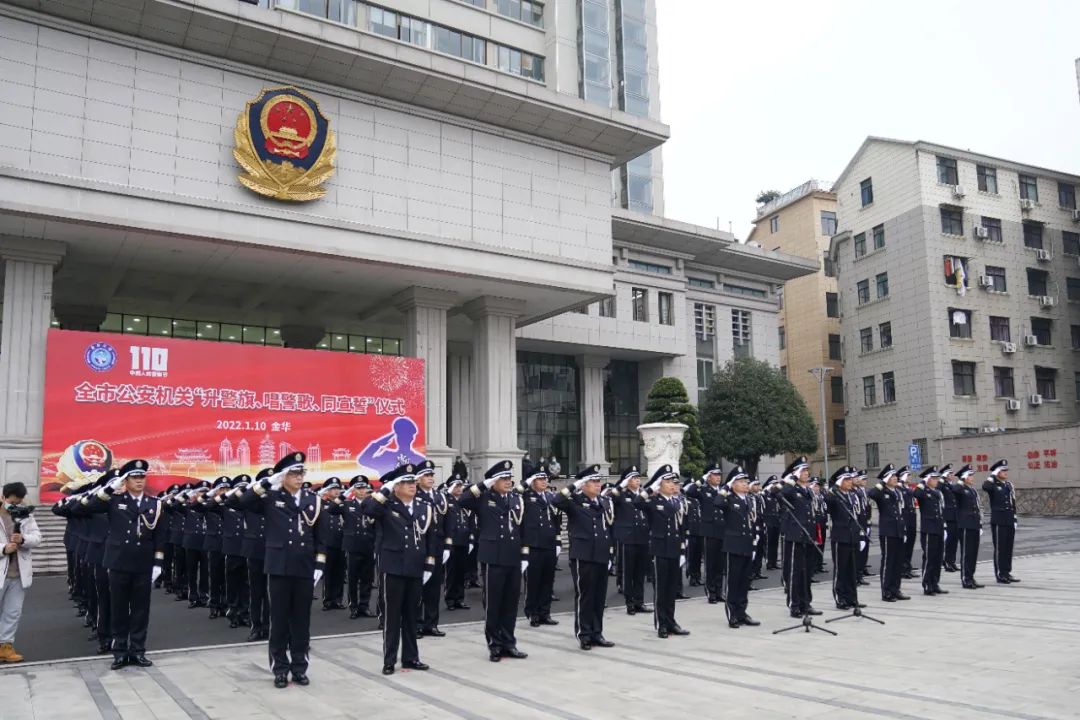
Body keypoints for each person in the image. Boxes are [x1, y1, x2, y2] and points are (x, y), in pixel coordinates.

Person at [238, 453, 326, 689]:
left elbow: (321, 537)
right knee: (278, 620)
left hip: (305, 567)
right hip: (278, 566)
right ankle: (279, 667)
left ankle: (299, 666)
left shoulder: (314, 500)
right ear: (283, 476)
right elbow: (241, 502)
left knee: (301, 620)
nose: (299, 478)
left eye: (301, 473)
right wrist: (267, 482)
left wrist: (319, 564)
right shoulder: (271, 497)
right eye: (293, 473)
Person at [80, 460, 165, 670]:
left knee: (140, 609)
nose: (139, 481)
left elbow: (160, 536)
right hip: (118, 562)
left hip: (143, 563)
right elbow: (89, 506)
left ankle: (137, 650)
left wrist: (158, 562)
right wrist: (109, 487)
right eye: (134, 478)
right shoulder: (113, 501)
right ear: (125, 481)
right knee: (118, 608)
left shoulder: (155, 503)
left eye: (142, 477)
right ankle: (119, 651)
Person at [363, 464, 436, 676]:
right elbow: (367, 509)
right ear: (396, 487)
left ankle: (411, 657)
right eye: (405, 482)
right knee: (392, 617)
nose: (412, 486)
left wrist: (429, 564)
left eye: (413, 481)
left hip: (415, 567)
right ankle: (389, 659)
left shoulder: (424, 506)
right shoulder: (386, 506)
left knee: (412, 616)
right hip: (393, 568)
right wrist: (386, 489)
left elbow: (430, 536)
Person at [456, 461, 529, 663]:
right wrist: (483, 484)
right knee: (494, 603)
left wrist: (524, 554)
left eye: (509, 478)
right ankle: (494, 645)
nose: (508, 482)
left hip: (513, 556)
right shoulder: (484, 498)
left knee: (510, 603)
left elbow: (522, 528)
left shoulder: (516, 499)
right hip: (492, 557)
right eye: (503, 478)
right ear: (493, 481)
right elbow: (463, 499)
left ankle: (509, 643)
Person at [553, 465, 614, 649]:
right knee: (585, 595)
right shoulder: (575, 501)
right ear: (583, 484)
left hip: (601, 554)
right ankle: (584, 633)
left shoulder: (603, 502)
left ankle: (597, 632)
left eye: (599, 481)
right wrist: (574, 486)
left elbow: (607, 528)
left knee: (599, 596)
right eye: (594, 481)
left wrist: (610, 552)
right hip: (583, 554)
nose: (598, 484)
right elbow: (557, 500)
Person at [633, 464, 689, 638]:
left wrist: (682, 550)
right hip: (659, 550)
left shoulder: (677, 502)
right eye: (667, 481)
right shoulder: (653, 502)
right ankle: (661, 624)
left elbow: (680, 528)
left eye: (673, 481)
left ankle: (671, 621)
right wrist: (651, 488)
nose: (672, 484)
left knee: (672, 589)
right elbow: (637, 502)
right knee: (661, 589)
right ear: (659, 484)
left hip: (673, 549)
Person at [771, 457, 819, 618]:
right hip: (795, 535)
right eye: (803, 470)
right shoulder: (790, 488)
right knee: (795, 572)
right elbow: (781, 493)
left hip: (808, 535)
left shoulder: (806, 490)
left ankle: (806, 603)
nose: (806, 473)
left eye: (807, 470)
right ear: (795, 473)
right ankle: (794, 605)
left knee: (807, 572)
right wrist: (791, 479)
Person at [0, 481, 42, 663]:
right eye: (11, 502)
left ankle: (5, 646)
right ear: (3, 498)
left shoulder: (26, 516)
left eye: (18, 502)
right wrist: (3, 549)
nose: (14, 506)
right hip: (1, 569)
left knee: (13, 611)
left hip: (18, 573)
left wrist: (23, 539)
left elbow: (37, 537)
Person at [714, 466, 760, 628]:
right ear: (733, 485)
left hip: (747, 544)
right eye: (740, 482)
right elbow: (718, 502)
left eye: (746, 481)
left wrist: (754, 542)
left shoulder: (750, 500)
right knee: (733, 582)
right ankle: (732, 614)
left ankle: (742, 612)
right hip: (733, 545)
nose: (745, 484)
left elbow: (753, 522)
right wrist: (725, 487)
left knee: (744, 581)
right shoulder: (729, 499)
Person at [227, 471, 270, 641]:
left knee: (271, 592)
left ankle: (269, 626)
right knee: (256, 591)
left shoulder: (276, 498)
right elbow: (230, 501)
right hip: (254, 549)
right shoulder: (250, 499)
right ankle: (256, 627)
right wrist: (244, 488)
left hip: (272, 549)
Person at [520, 461, 560, 628]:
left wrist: (558, 540)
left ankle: (545, 612)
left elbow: (557, 520)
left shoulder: (551, 497)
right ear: (532, 481)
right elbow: (516, 493)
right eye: (540, 478)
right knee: (533, 581)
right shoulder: (526, 497)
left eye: (545, 479)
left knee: (547, 581)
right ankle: (533, 613)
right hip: (533, 545)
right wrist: (526, 483)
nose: (544, 481)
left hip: (549, 544)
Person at [413, 461, 449, 637]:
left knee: (434, 587)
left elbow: (447, 522)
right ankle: (417, 624)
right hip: (420, 547)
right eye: (426, 475)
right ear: (418, 478)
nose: (430, 478)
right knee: (418, 587)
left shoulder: (440, 496)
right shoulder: (414, 496)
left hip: (437, 547)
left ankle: (431, 623)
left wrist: (447, 545)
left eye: (431, 475)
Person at [334, 476, 377, 619]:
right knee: (353, 578)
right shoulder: (347, 504)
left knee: (367, 578)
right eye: (358, 488)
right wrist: (345, 493)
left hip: (368, 544)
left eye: (364, 488)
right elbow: (332, 509)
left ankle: (364, 606)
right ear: (354, 490)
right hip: (353, 546)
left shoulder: (372, 504)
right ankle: (354, 606)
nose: (362, 491)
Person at [608, 466, 649, 615]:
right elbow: (610, 498)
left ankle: (639, 601)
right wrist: (621, 485)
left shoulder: (644, 495)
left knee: (640, 572)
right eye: (633, 478)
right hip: (627, 538)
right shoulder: (621, 495)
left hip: (642, 537)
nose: (637, 480)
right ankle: (629, 603)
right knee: (628, 572)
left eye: (638, 478)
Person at [684, 462, 726, 604]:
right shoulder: (703, 490)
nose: (718, 477)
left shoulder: (723, 490)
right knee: (710, 563)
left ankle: (719, 591)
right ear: (709, 476)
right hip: (709, 530)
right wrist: (701, 479)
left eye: (719, 474)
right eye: (714, 474)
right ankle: (711, 592)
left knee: (720, 564)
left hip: (721, 530)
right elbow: (689, 491)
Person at [823, 467, 864, 611]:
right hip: (840, 537)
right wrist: (833, 489)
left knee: (851, 569)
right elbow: (827, 500)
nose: (849, 482)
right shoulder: (834, 495)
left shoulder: (852, 495)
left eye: (849, 479)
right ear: (840, 481)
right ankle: (840, 598)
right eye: (846, 480)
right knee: (841, 570)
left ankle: (852, 597)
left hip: (852, 536)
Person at [867, 464, 908, 602]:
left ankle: (896, 589)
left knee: (897, 562)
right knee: (888, 562)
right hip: (888, 531)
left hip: (898, 530)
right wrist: (882, 484)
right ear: (886, 478)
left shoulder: (897, 491)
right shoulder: (881, 492)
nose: (896, 478)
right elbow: (871, 493)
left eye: (896, 476)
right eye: (892, 476)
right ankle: (886, 591)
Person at [195, 477, 229, 619]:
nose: (225, 492)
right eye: (221, 489)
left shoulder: (233, 503)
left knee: (228, 577)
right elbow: (195, 507)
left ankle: (226, 605)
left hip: (229, 544)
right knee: (214, 576)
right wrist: (210, 495)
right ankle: (214, 605)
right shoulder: (209, 504)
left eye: (227, 489)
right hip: (214, 543)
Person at [218, 475, 249, 629]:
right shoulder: (226, 505)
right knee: (232, 582)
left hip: (247, 548)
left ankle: (244, 612)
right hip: (232, 548)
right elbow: (207, 505)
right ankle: (233, 612)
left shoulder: (250, 505)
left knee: (246, 583)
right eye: (239, 488)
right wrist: (231, 493)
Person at [983, 460, 1019, 584]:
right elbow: (985, 487)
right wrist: (993, 475)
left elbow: (1012, 502)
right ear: (997, 472)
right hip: (998, 520)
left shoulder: (1008, 485)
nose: (1005, 473)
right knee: (1000, 547)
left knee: (1008, 547)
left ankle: (1007, 572)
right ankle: (1000, 573)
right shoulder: (993, 484)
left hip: (1009, 518)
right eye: (1002, 471)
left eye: (1006, 470)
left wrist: (1014, 518)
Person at [914, 467, 947, 596]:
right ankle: (927, 584)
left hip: (938, 527)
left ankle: (935, 583)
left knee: (938, 558)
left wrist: (944, 527)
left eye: (936, 478)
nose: (936, 481)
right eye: (933, 478)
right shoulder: (923, 491)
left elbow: (941, 510)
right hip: (928, 529)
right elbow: (916, 494)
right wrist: (922, 482)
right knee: (929, 557)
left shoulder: (938, 492)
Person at [442, 475, 472, 612]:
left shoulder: (464, 502)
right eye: (456, 486)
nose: (459, 489)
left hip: (463, 540)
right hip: (452, 541)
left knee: (461, 571)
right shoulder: (447, 501)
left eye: (460, 486)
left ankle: (459, 598)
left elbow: (469, 521)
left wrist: (471, 538)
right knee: (452, 572)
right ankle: (450, 599)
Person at [951, 465, 983, 589]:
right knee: (967, 552)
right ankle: (966, 578)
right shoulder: (960, 489)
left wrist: (979, 524)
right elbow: (955, 489)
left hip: (974, 523)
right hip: (965, 525)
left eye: (971, 475)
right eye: (969, 475)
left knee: (973, 553)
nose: (972, 477)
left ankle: (971, 577)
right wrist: (961, 480)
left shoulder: (972, 490)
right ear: (964, 477)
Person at [317, 478, 347, 611]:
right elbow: (331, 509)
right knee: (328, 573)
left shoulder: (343, 504)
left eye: (338, 489)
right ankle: (328, 600)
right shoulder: (322, 504)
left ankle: (338, 599)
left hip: (340, 542)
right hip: (327, 543)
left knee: (339, 573)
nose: (336, 491)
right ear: (327, 491)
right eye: (333, 489)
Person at [939, 464, 960, 573]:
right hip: (948, 516)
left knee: (954, 540)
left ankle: (952, 561)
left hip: (955, 515)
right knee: (949, 540)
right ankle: (946, 561)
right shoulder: (942, 485)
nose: (951, 475)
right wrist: (942, 478)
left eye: (952, 473)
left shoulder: (952, 485)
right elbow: (938, 488)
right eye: (949, 473)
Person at [898, 474, 918, 580]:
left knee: (910, 545)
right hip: (905, 520)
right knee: (904, 547)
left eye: (910, 475)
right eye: (907, 475)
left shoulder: (909, 489)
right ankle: (903, 569)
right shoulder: (899, 488)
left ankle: (908, 567)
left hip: (912, 520)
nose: (909, 477)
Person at [762, 476, 781, 571]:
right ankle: (769, 563)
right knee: (769, 543)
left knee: (775, 543)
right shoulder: (764, 495)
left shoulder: (775, 495)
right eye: (773, 484)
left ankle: (774, 562)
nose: (775, 486)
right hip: (768, 521)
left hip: (775, 521)